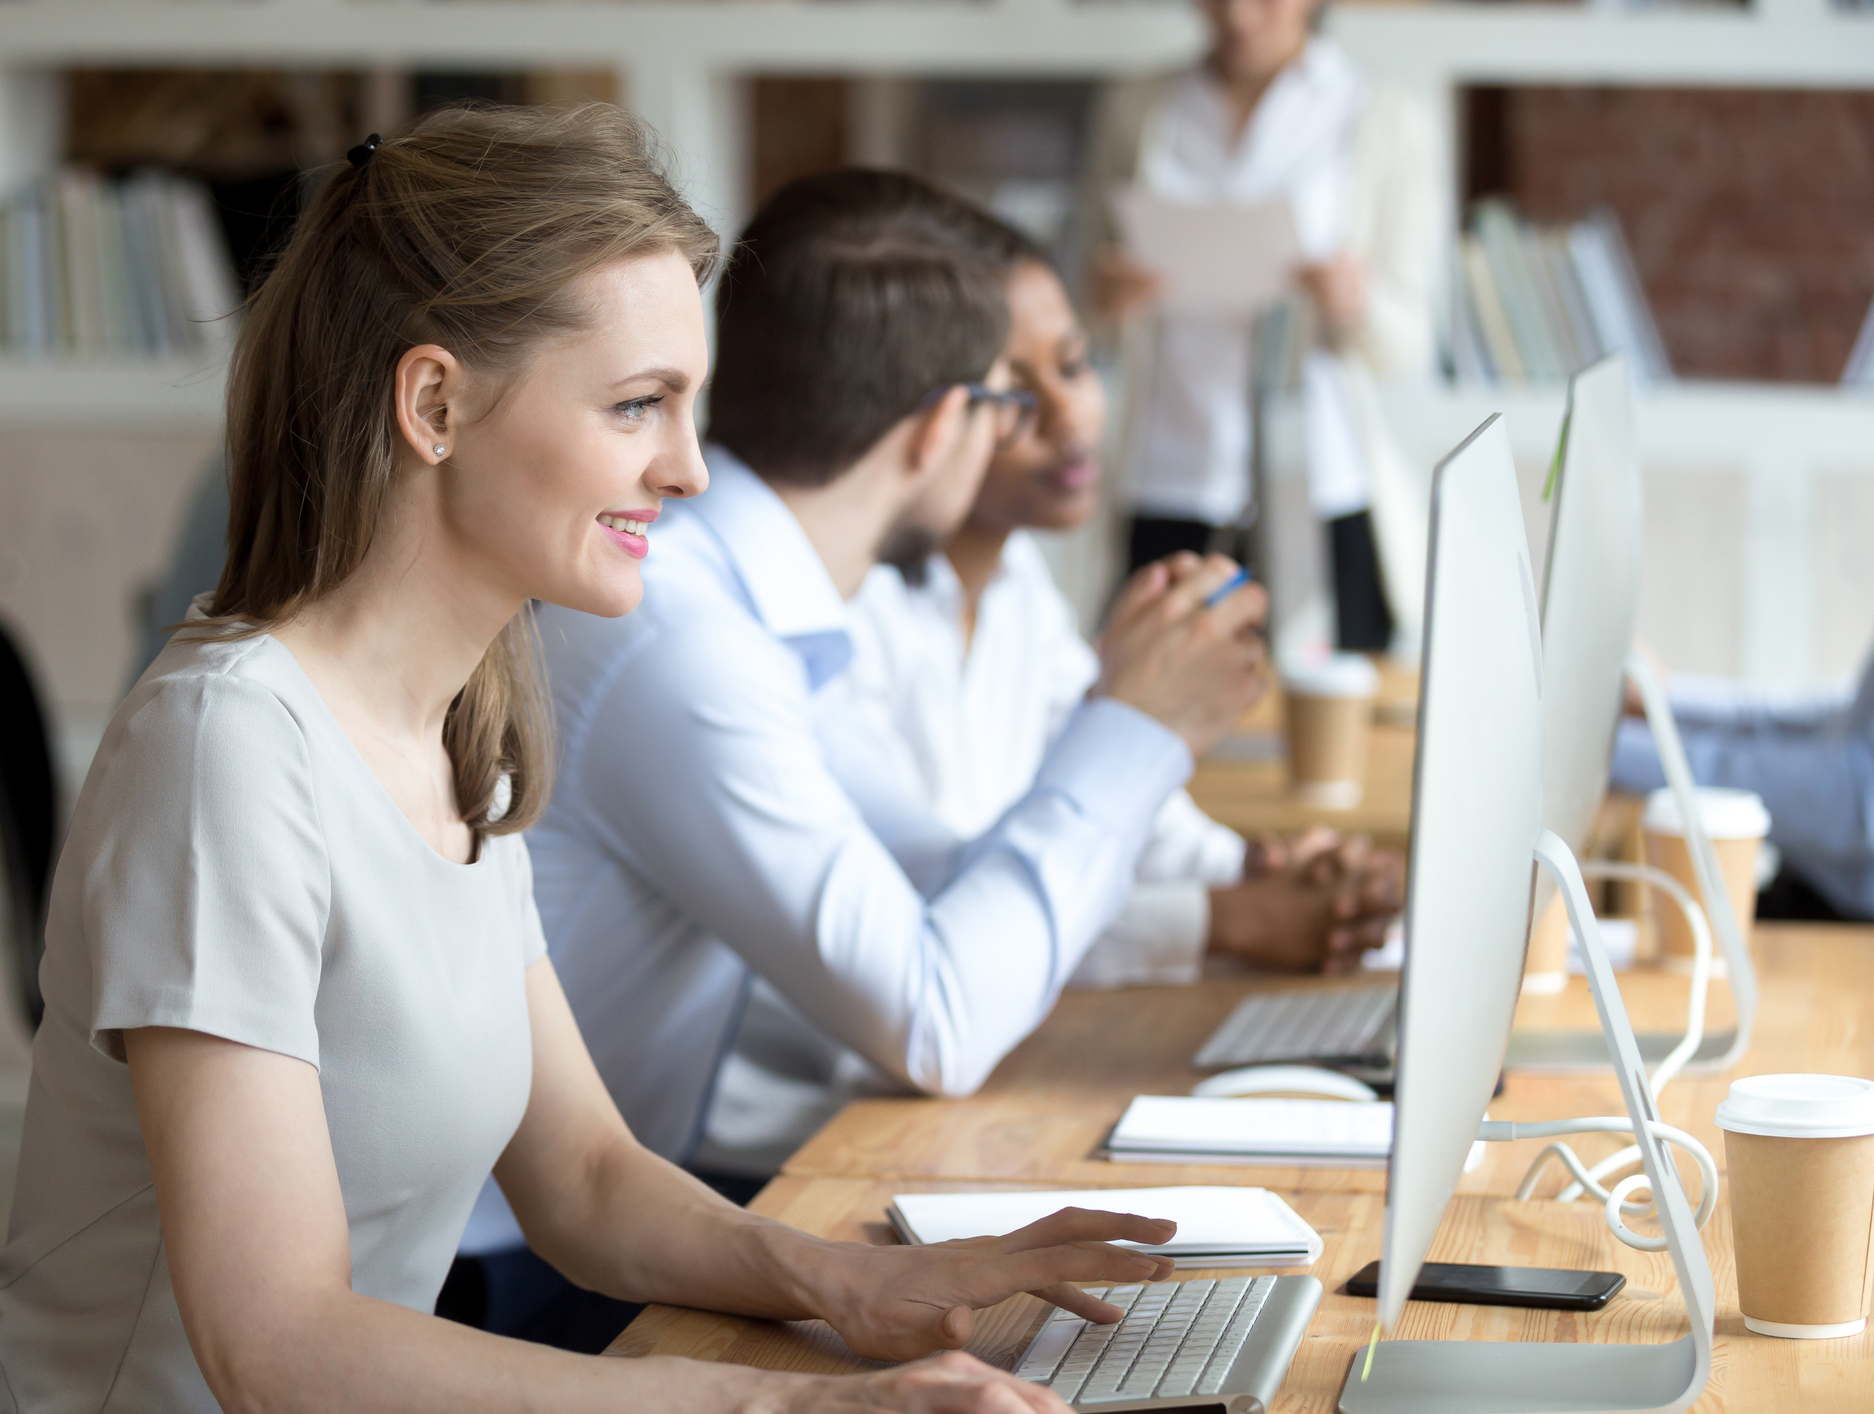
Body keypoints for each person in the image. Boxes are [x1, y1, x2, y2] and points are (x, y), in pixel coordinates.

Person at [0, 106, 1185, 1414]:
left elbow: (582, 1173)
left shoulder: (465, 722)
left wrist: (848, 1282)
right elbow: (279, 1344)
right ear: (433, 404)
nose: (692, 470)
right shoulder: (229, 752)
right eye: (637, 405)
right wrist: (796, 1403)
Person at [481, 169, 1267, 1321]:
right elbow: (936, 1022)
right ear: (947, 423)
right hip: (517, 1271)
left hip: (623, 1222)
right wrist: (1134, 731)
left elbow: (929, 871)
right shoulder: (683, 643)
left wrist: (1131, 744)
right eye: (1007, 397)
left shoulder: (754, 607)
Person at [827, 220, 1403, 991]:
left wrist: (1263, 869)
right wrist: (1231, 918)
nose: (1068, 417)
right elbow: (953, 920)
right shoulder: (845, 620)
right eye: (1015, 393)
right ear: (932, 415)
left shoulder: (1017, 586)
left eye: (1073, 366)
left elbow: (1123, 798)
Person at [1086, 0, 1443, 654]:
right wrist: (1107, 298)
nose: (1238, 13)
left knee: (1325, 708)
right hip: (1170, 468)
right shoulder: (1138, 106)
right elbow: (1088, 310)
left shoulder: (1379, 114)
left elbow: (1405, 345)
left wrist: (1351, 300)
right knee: (1153, 697)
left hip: (1320, 474)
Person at [1613, 562, 1874, 926]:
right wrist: (1660, 700)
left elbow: (1867, 800)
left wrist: (1612, 751)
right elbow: (1847, 721)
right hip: (1819, 899)